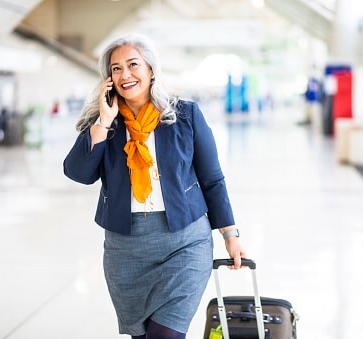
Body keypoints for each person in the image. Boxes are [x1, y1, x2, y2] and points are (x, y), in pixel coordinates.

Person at [63, 33, 246, 339]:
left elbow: (212, 179)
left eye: (133, 64)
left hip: (185, 242)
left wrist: (230, 235)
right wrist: (104, 121)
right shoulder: (104, 122)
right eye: (116, 69)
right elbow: (79, 173)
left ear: (151, 69)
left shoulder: (185, 115)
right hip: (127, 248)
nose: (125, 74)